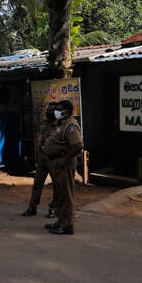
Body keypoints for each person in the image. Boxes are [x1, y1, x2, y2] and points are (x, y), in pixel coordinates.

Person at [42, 100, 84, 235]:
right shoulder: (63, 124)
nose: (55, 111)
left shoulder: (71, 126)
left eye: (58, 109)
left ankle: (67, 226)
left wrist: (64, 160)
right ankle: (60, 221)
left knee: (66, 195)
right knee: (60, 194)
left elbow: (78, 145)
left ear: (66, 111)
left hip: (63, 164)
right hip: (57, 163)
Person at [21, 102, 59, 218]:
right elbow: (40, 139)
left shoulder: (61, 125)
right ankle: (32, 207)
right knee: (37, 183)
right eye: (49, 109)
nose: (49, 111)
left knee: (56, 185)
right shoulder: (44, 124)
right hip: (43, 158)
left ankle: (53, 208)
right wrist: (38, 154)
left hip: (54, 158)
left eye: (52, 110)